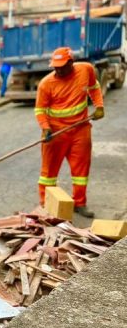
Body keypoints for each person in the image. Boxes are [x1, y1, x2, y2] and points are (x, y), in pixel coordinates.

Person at [34, 47, 104, 218]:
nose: (58, 69)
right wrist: (45, 128)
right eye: (55, 66)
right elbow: (40, 110)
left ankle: (80, 203)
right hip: (56, 132)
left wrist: (99, 105)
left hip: (80, 130)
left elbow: (94, 87)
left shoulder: (86, 69)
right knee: (48, 174)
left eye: (62, 66)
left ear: (71, 63)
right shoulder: (46, 84)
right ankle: (46, 204)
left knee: (81, 172)